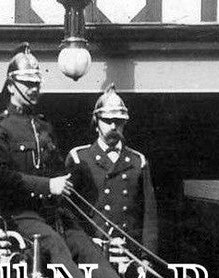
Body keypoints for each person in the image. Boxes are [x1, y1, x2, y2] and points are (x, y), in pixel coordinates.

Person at [0, 43, 121, 278]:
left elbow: (55, 168)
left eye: (36, 83)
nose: (34, 89)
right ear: (11, 85)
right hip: (18, 214)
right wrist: (48, 186)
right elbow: (1, 176)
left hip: (51, 212)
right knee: (55, 244)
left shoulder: (43, 126)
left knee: (84, 244)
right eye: (27, 84)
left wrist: (65, 180)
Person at [67, 84, 158, 255]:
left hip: (129, 252)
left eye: (119, 121)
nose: (114, 127)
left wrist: (148, 257)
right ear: (96, 122)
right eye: (108, 121)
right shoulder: (80, 158)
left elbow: (149, 215)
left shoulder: (138, 161)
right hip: (92, 252)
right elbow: (68, 212)